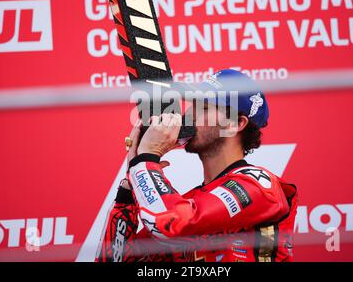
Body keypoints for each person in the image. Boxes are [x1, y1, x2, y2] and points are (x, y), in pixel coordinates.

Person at [96, 69, 298, 262]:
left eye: (203, 107)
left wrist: (147, 159)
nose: (189, 116)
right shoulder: (191, 203)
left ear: (235, 124)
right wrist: (129, 187)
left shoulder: (260, 185)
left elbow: (173, 223)